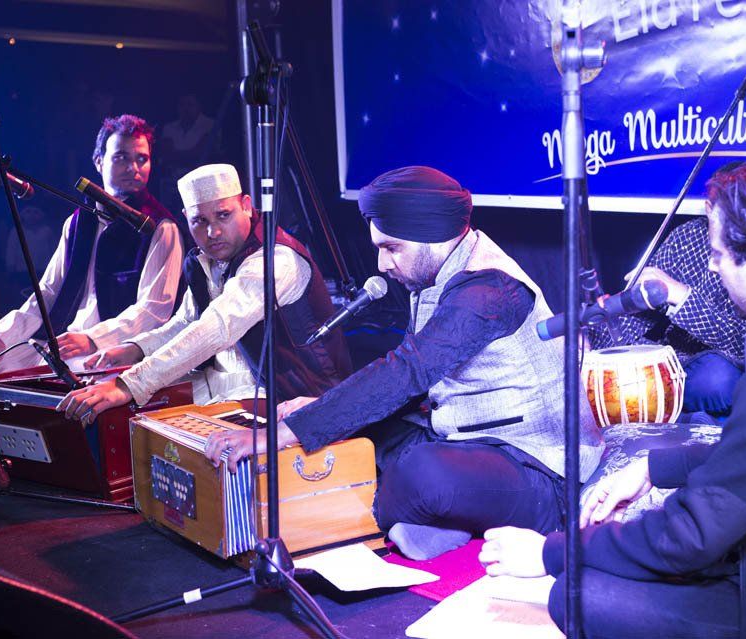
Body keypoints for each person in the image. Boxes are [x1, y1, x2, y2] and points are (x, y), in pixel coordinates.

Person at [480, 158, 746, 639]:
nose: (713, 267)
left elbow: (690, 534)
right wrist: (656, 467)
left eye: (718, 256)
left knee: (580, 595)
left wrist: (554, 552)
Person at [203, 166, 604, 560]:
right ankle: (445, 518)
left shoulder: (487, 289)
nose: (381, 265)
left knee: (422, 473)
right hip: (467, 440)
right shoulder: (437, 272)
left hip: (543, 471)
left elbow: (409, 370)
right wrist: (320, 411)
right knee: (363, 436)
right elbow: (410, 387)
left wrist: (282, 434)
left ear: (432, 236)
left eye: (391, 248)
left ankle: (413, 513)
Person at [55, 163, 352, 423]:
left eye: (223, 215)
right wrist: (135, 349)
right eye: (200, 221)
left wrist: (129, 384)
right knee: (132, 420)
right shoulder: (207, 261)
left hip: (290, 398)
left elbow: (218, 326)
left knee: (153, 422)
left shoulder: (275, 261)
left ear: (246, 206)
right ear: (186, 217)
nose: (213, 233)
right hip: (226, 389)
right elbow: (187, 322)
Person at [0, 114, 184, 378]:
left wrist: (92, 339)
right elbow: (47, 293)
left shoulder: (161, 227)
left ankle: (31, 384)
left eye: (142, 158)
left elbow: (154, 310)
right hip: (61, 344)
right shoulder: (76, 223)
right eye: (121, 157)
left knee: (76, 370)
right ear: (98, 162)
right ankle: (35, 383)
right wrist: (1, 338)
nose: (133, 168)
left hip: (109, 350)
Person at [588, 164, 746, 416]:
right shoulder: (687, 237)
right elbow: (637, 314)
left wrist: (681, 296)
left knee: (717, 378)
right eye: (729, 214)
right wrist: (603, 344)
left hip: (728, 372)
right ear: (709, 209)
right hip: (675, 364)